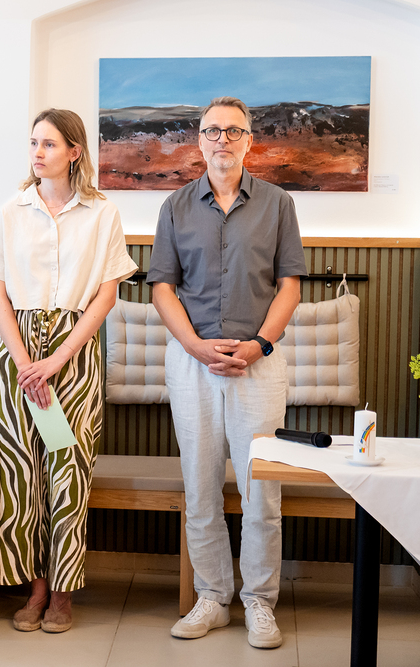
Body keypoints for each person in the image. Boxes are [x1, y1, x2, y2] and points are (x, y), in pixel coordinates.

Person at [147, 97, 306, 649]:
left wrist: (260, 344)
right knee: (201, 487)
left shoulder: (278, 203)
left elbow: (290, 284)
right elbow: (162, 287)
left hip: (257, 365)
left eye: (233, 131)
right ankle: (213, 597)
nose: (222, 139)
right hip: (191, 364)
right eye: (212, 130)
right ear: (199, 139)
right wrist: (194, 346)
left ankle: (260, 601)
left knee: (262, 490)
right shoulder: (174, 206)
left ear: (249, 141)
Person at [0, 108, 138, 634]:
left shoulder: (103, 213)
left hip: (74, 354)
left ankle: (63, 593)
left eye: (48, 143)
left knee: (68, 471)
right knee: (21, 473)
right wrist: (26, 363)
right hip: (19, 356)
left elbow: (105, 295)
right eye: (33, 143)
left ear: (74, 152)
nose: (37, 152)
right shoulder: (11, 211)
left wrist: (57, 358)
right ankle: (35, 588)